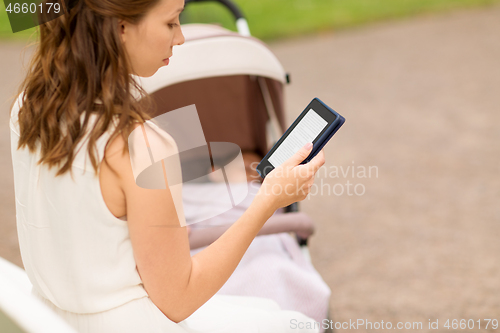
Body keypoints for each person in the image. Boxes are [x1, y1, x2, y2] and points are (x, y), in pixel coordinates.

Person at [9, 0, 326, 332]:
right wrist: (269, 200)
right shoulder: (141, 145)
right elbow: (178, 300)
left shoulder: (28, 106)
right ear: (120, 29)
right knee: (297, 324)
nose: (181, 38)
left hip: (49, 319)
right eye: (172, 23)